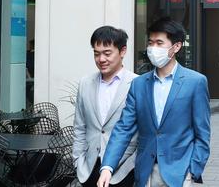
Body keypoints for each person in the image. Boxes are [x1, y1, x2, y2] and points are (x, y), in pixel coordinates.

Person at [98, 18, 211, 187]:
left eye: (159, 43)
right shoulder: (139, 84)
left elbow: (202, 133)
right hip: (144, 171)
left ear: (176, 47)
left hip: (178, 172)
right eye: (151, 43)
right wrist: (107, 167)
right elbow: (124, 128)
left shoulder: (195, 82)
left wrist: (194, 168)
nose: (153, 49)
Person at [73, 26, 137, 187]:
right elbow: (79, 127)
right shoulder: (85, 84)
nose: (101, 59)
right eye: (96, 53)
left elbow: (143, 131)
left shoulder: (138, 84)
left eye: (107, 53)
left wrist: (133, 164)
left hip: (124, 169)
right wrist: (78, 160)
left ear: (122, 51)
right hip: (89, 167)